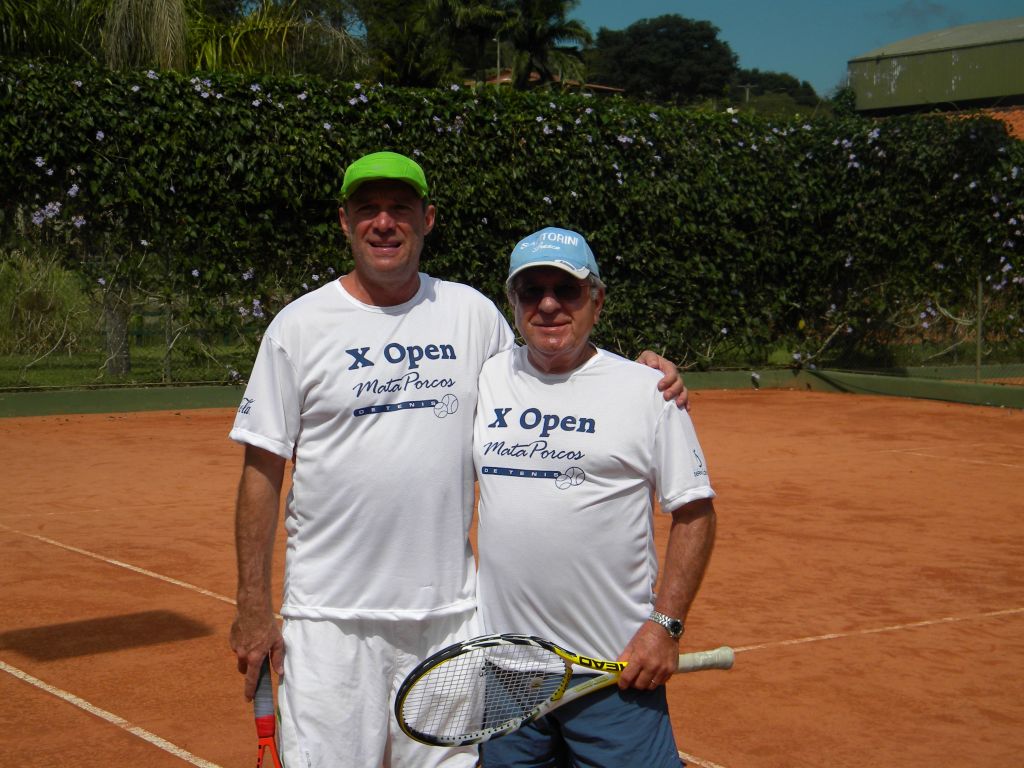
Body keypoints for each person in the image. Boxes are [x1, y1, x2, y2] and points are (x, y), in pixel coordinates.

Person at [228, 152, 688, 768]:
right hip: (329, 622)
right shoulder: (297, 327)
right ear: (344, 221)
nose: (384, 223)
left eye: (400, 209)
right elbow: (261, 472)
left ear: (427, 219)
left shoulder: (471, 314)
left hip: (450, 625)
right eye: (368, 209)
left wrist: (640, 372)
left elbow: (548, 364)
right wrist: (252, 605)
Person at [474, 227, 717, 768]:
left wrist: (665, 626)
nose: (549, 304)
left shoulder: (646, 390)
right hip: (509, 674)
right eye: (531, 291)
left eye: (567, 289)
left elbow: (695, 512)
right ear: (513, 302)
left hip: (615, 672)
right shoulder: (485, 377)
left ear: (597, 300)